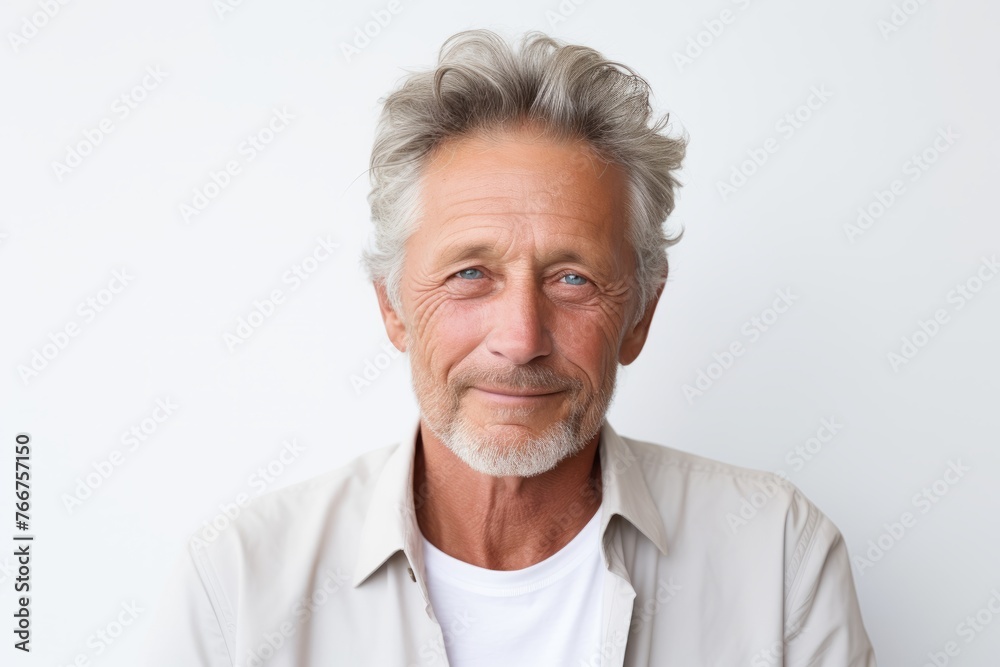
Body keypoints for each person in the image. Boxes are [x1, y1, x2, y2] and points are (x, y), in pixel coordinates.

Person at [141, 28, 876, 666]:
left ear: (642, 314)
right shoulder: (237, 585)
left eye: (572, 277)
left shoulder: (777, 554)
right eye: (469, 273)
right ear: (393, 307)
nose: (521, 338)